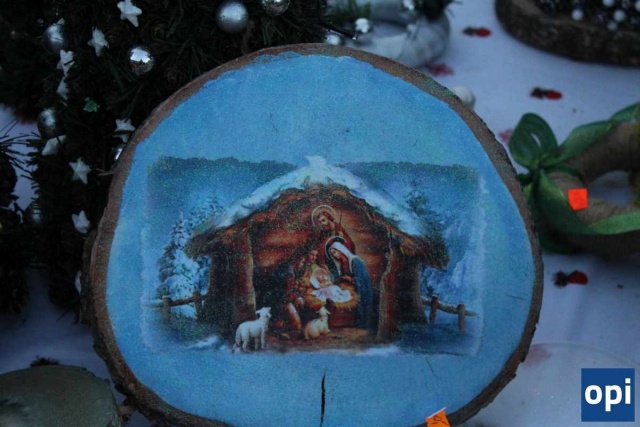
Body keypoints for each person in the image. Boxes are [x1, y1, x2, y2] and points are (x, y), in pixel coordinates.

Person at [326, 238, 374, 329]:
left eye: (335, 252)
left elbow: (361, 280)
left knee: (359, 302)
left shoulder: (355, 261)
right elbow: (340, 277)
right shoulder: (341, 264)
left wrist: (350, 279)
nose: (334, 255)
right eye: (332, 254)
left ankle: (363, 322)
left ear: (340, 249)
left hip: (362, 288)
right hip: (352, 288)